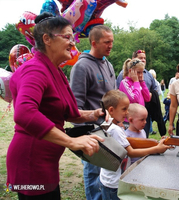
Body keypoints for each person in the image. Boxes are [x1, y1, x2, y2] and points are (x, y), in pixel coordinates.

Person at [6, 12, 106, 200]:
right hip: (30, 161)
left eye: (73, 38)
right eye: (67, 37)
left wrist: (94, 114)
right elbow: (24, 113)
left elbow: (67, 113)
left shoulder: (54, 71)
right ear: (47, 39)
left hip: (46, 161)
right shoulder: (34, 69)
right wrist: (72, 141)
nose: (73, 43)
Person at [69, 25, 115, 200]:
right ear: (94, 43)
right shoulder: (82, 67)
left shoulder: (108, 64)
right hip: (93, 134)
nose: (111, 45)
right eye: (107, 42)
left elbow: (113, 97)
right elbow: (75, 109)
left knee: (107, 177)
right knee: (94, 177)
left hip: (109, 131)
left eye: (112, 41)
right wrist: (87, 135)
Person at [100, 90, 171, 200]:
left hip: (108, 180)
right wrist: (156, 149)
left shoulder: (106, 124)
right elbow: (131, 153)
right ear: (111, 110)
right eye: (124, 109)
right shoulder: (116, 130)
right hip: (115, 183)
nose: (127, 113)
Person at [116, 50, 157, 136]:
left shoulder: (139, 82)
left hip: (139, 119)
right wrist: (136, 82)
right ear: (131, 71)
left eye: (142, 72)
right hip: (129, 122)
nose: (141, 75)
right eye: (138, 72)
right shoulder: (125, 82)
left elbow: (147, 98)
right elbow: (135, 99)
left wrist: (142, 82)